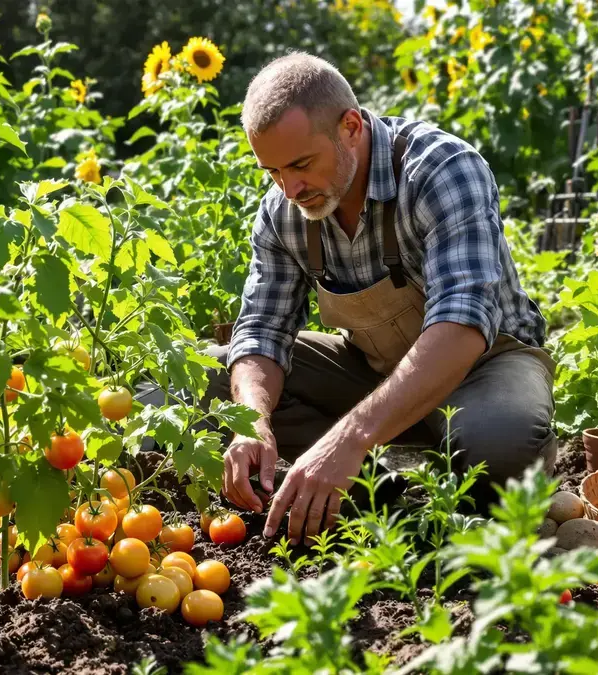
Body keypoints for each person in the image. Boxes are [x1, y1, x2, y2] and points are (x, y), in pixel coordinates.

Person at [206, 51, 557, 545]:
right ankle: (380, 482)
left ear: (351, 125)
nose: (290, 188)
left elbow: (461, 325)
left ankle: (385, 459)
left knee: (498, 447)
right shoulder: (283, 212)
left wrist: (349, 438)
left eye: (302, 164)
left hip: (485, 366)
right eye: (273, 172)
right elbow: (262, 329)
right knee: (213, 376)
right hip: (375, 371)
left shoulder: (441, 170)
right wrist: (252, 424)